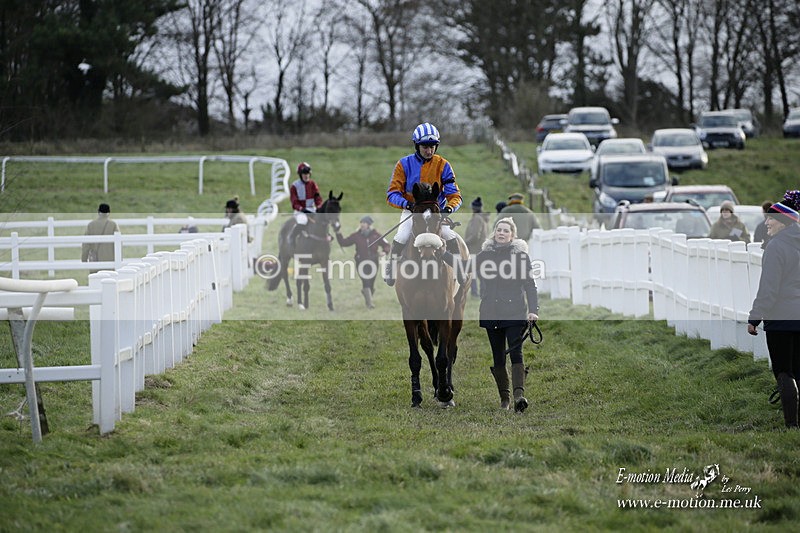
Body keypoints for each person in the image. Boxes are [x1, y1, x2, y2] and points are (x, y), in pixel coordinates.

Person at [384, 122, 462, 286]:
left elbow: (455, 195)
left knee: (449, 235)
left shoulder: (443, 165)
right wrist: (407, 205)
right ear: (416, 145)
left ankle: (459, 270)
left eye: (433, 146)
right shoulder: (403, 164)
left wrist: (448, 209)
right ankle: (390, 269)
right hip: (412, 210)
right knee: (402, 235)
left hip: (435, 211)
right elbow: (392, 194)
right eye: (425, 146)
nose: (429, 150)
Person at [475, 217, 539, 412]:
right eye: (499, 230)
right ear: (494, 232)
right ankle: (505, 399)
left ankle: (519, 395)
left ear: (512, 235)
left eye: (505, 231)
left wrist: (533, 310)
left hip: (514, 312)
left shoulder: (520, 257)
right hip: (491, 311)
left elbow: (529, 285)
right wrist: (443, 251)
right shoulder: (484, 256)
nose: (501, 233)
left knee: (515, 352)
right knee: (498, 356)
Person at [747, 202, 800, 428]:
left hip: (781, 319)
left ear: (784, 222)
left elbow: (769, 288)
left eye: (771, 219)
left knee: (783, 371)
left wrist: (754, 317)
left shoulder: (776, 246)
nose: (766, 222)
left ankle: (791, 424)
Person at [335, 215, 390, 308]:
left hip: (374, 261)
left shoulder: (376, 235)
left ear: (369, 225)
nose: (362, 224)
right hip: (361, 262)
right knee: (365, 281)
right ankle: (369, 304)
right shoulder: (356, 235)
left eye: (364, 223)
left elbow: (386, 244)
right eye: (361, 222)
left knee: (371, 282)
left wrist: (384, 252)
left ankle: (367, 293)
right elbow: (344, 242)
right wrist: (338, 233)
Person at [288, 162, 323, 245]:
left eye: (307, 173)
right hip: (300, 211)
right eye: (304, 174)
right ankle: (292, 237)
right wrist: (302, 209)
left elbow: (317, 198)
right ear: (300, 175)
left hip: (311, 209)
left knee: (322, 220)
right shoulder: (294, 186)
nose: (306, 175)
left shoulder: (313, 184)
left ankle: (325, 238)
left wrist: (319, 206)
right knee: (302, 221)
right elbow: (294, 202)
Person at [81, 203, 120, 273]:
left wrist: (84, 259)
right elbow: (118, 244)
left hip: (95, 260)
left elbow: (86, 245)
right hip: (110, 261)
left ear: (98, 212)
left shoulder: (91, 225)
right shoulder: (113, 225)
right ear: (109, 213)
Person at [464, 197, 490, 297]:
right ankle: (481, 293)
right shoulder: (481, 218)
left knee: (474, 273)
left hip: (475, 249)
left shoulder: (477, 219)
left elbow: (475, 235)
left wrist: (465, 242)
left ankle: (476, 293)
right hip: (479, 249)